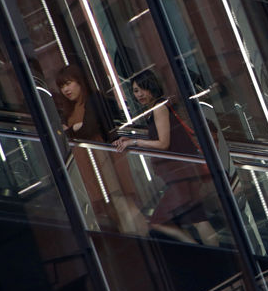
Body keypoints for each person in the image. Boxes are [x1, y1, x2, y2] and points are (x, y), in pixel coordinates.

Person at [114, 70, 219, 246]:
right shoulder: (159, 108)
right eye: (135, 90)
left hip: (180, 175)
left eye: (142, 89)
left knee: (158, 220)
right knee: (198, 219)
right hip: (185, 172)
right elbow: (160, 136)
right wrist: (132, 139)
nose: (139, 94)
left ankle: (200, 250)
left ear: (152, 87)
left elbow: (163, 143)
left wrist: (135, 141)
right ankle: (216, 255)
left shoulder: (159, 108)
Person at [55, 64, 141, 232]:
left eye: (68, 83)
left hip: (103, 157)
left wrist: (73, 130)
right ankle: (134, 239)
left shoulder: (94, 99)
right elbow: (67, 132)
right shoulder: (70, 109)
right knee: (110, 209)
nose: (66, 89)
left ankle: (141, 239)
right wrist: (76, 128)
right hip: (88, 161)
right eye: (62, 86)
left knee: (121, 202)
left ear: (80, 81)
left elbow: (89, 127)